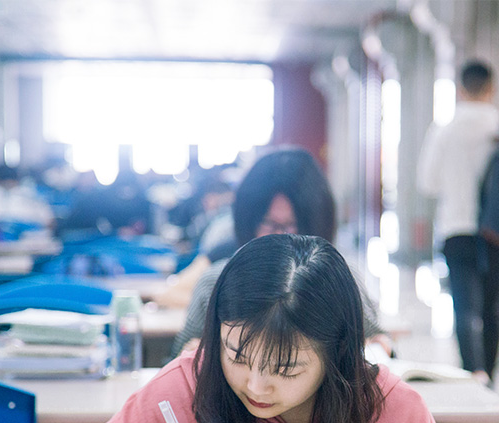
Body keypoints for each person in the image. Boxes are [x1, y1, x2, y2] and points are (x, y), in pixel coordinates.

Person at [27, 234, 460, 423]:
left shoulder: (395, 416)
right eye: (236, 355)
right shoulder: (187, 389)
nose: (255, 385)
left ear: (338, 354)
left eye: (285, 369)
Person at [165, 147, 392, 356]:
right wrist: (193, 353)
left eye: (292, 225)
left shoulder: (340, 279)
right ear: (248, 221)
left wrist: (378, 348)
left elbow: (380, 345)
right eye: (269, 223)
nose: (281, 236)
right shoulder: (216, 280)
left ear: (316, 223)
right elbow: (178, 358)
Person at [417, 60, 499, 384]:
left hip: (456, 228)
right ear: (492, 88)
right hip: (497, 230)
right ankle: (490, 373)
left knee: (464, 304)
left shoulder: (445, 129)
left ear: (461, 89)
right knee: (494, 305)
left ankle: (474, 371)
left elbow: (427, 182)